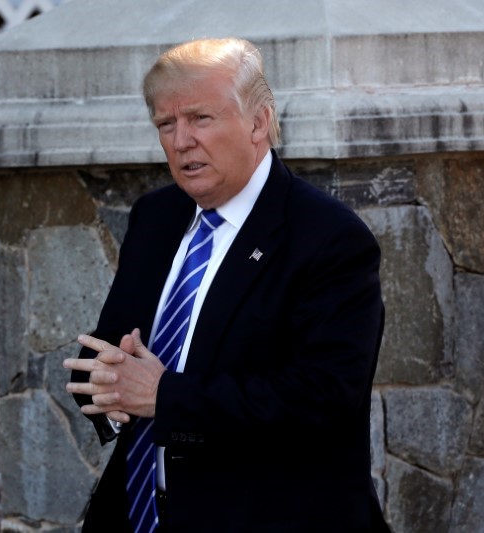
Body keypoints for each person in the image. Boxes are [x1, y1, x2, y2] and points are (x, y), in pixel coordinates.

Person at [63, 37, 389, 532]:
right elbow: (117, 351)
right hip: (137, 515)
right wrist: (108, 387)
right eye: (165, 125)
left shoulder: (329, 238)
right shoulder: (156, 217)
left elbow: (322, 400)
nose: (181, 140)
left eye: (200, 118)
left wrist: (165, 397)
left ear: (259, 122)